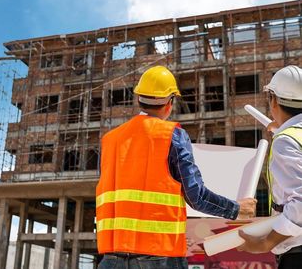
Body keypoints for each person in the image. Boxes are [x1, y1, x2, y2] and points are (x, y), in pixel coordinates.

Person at [96, 66, 256, 269]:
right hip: (159, 258)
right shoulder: (171, 135)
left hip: (111, 259)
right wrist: (236, 208)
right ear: (170, 103)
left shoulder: (110, 141)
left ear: (139, 99)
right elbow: (196, 197)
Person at [238, 65, 302, 268]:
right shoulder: (291, 136)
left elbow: (300, 203)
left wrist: (265, 243)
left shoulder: (286, 141)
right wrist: (281, 128)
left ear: (274, 100)